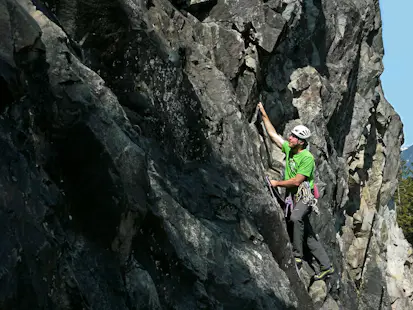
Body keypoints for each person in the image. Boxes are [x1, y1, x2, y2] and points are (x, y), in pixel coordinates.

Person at [257, 102, 334, 281]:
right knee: (308, 234)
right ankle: (326, 266)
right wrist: (263, 112)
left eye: (293, 137)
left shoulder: (307, 158)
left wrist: (276, 183)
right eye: (290, 135)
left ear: (300, 142)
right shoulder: (290, 149)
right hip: (294, 195)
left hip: (304, 196)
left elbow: (297, 181)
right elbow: (273, 135)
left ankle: (297, 255)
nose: (289, 138)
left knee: (295, 218)